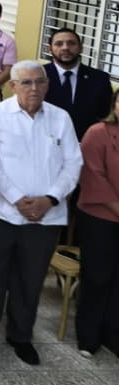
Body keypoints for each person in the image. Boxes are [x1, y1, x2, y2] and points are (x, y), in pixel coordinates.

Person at [0, 61, 82, 365]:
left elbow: (73, 163)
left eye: (39, 82)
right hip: (0, 214)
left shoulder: (61, 118)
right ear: (12, 86)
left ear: (47, 85)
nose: (34, 88)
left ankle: (20, 336)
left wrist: (50, 198)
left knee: (30, 280)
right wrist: (17, 198)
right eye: (26, 82)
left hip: (46, 217)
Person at [77, 89, 119, 357]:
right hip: (100, 217)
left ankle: (113, 335)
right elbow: (93, 175)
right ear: (114, 105)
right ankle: (88, 337)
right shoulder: (97, 133)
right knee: (97, 277)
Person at [44, 27, 113, 141]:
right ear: (50, 49)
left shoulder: (100, 79)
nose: (65, 47)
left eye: (71, 43)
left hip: (85, 144)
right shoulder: (38, 76)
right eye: (59, 44)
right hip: (44, 142)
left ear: (81, 48)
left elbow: (106, 117)